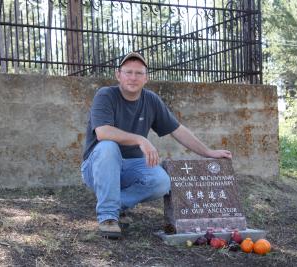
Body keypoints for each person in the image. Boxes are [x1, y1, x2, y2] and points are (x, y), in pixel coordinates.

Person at [81, 52, 232, 239]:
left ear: (146, 78)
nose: (133, 77)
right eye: (128, 72)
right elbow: (103, 132)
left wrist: (208, 152)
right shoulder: (106, 95)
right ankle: (108, 218)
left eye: (139, 73)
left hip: (130, 167)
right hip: (96, 167)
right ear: (118, 75)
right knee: (108, 146)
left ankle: (113, 203)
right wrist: (140, 139)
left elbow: (177, 129)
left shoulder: (150, 100)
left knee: (162, 182)